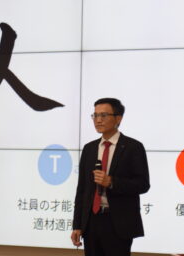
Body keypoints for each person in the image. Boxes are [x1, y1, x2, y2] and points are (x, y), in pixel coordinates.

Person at [71, 98, 150, 256]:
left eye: (104, 115)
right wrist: (77, 225)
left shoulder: (133, 147)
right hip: (91, 222)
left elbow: (142, 184)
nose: (98, 120)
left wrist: (112, 182)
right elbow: (82, 190)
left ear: (118, 118)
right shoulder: (89, 149)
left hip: (118, 223)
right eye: (95, 115)